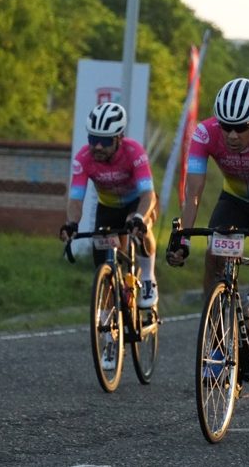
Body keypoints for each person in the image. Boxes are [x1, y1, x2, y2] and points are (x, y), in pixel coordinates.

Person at [165, 78, 249, 372]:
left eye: (241, 127)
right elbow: (194, 193)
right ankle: (216, 344)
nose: (232, 135)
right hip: (235, 200)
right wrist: (183, 240)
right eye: (226, 126)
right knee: (215, 259)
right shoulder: (204, 133)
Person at [60, 102, 158, 370]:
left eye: (104, 141)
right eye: (93, 139)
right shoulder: (84, 158)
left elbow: (148, 193)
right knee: (104, 271)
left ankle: (147, 277)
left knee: (138, 226)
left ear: (119, 138)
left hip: (136, 203)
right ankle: (110, 338)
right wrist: (71, 223)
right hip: (107, 208)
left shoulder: (134, 152)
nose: (98, 146)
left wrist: (140, 216)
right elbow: (76, 198)